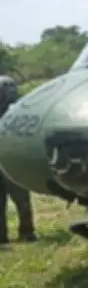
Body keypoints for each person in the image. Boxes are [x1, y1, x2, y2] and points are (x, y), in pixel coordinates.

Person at [0, 75, 37, 247]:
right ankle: (25, 233)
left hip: (10, 160)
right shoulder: (17, 114)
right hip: (10, 161)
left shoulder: (15, 114)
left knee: (21, 199)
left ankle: (22, 233)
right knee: (21, 199)